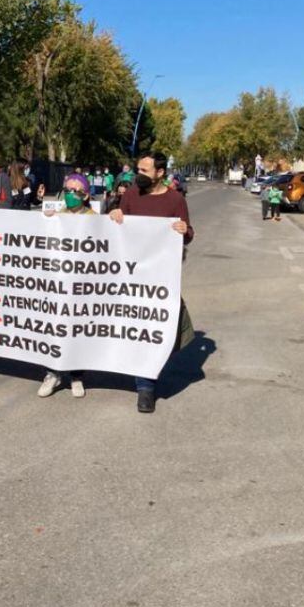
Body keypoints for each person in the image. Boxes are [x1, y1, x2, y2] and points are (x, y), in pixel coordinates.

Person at [109, 151, 192, 414]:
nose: (138, 175)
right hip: (129, 274)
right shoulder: (131, 194)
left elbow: (187, 232)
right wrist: (115, 215)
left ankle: (146, 386)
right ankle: (139, 378)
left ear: (160, 173)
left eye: (145, 170)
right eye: (138, 169)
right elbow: (119, 225)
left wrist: (184, 231)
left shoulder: (175, 199)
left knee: (153, 328)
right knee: (130, 325)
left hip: (158, 277)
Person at [36, 171, 97, 398]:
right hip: (58, 284)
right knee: (55, 327)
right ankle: (52, 373)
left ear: (86, 195)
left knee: (77, 328)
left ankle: (76, 376)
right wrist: (47, 219)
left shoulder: (94, 218)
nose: (71, 194)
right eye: (68, 190)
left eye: (76, 190)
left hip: (82, 284)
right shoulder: (56, 216)